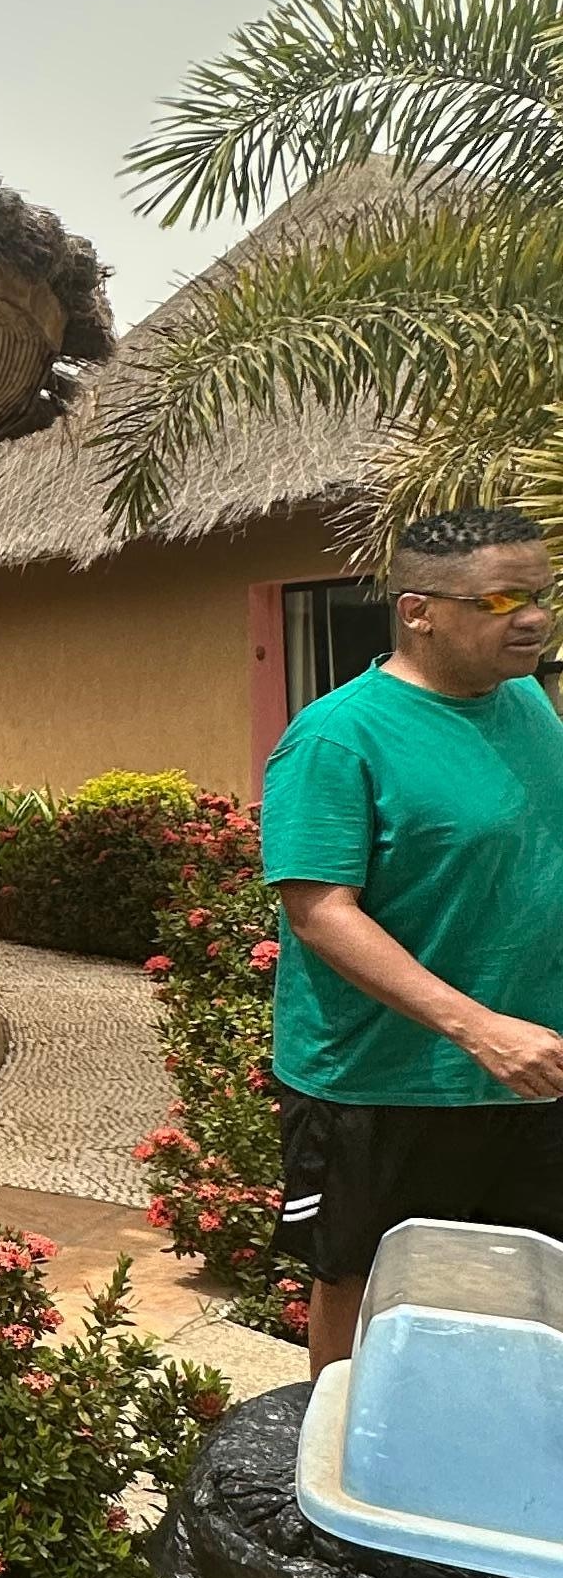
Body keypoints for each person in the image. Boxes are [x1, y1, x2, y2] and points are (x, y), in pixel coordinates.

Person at [263, 503, 563, 1377]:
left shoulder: (526, 704)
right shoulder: (336, 737)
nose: (533, 619)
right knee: (367, 1288)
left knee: (519, 1289)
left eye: (541, 595)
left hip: (531, 1068)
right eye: (500, 601)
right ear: (418, 611)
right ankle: (344, 1449)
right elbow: (321, 911)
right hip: (384, 1080)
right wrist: (478, 1028)